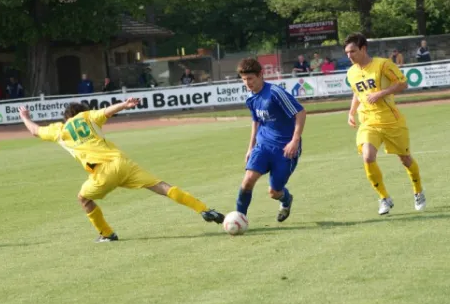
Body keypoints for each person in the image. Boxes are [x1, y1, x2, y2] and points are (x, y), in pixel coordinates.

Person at [17, 99, 225, 242]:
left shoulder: (60, 130)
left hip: (103, 173)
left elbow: (35, 131)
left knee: (84, 198)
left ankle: (107, 234)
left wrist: (25, 116)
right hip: (123, 163)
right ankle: (204, 209)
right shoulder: (88, 117)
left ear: (67, 117)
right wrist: (126, 104)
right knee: (161, 186)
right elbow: (109, 111)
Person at [344, 33, 426, 215]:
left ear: (363, 49)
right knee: (367, 157)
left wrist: (380, 93)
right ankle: (384, 198)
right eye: (347, 53)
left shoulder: (382, 65)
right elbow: (357, 93)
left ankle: (418, 191)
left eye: (353, 51)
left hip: (391, 121)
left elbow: (402, 83)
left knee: (405, 160)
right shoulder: (351, 72)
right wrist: (351, 112)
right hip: (368, 121)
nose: (349, 56)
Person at [235, 58, 307, 222]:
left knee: (274, 192)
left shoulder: (275, 93)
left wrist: (294, 141)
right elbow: (256, 121)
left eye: (251, 78)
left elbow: (300, 113)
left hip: (285, 150)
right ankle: (240, 218)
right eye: (244, 79)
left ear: (261, 75)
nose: (248, 83)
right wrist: (251, 147)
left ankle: (286, 199)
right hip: (263, 146)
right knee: (247, 181)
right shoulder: (250, 98)